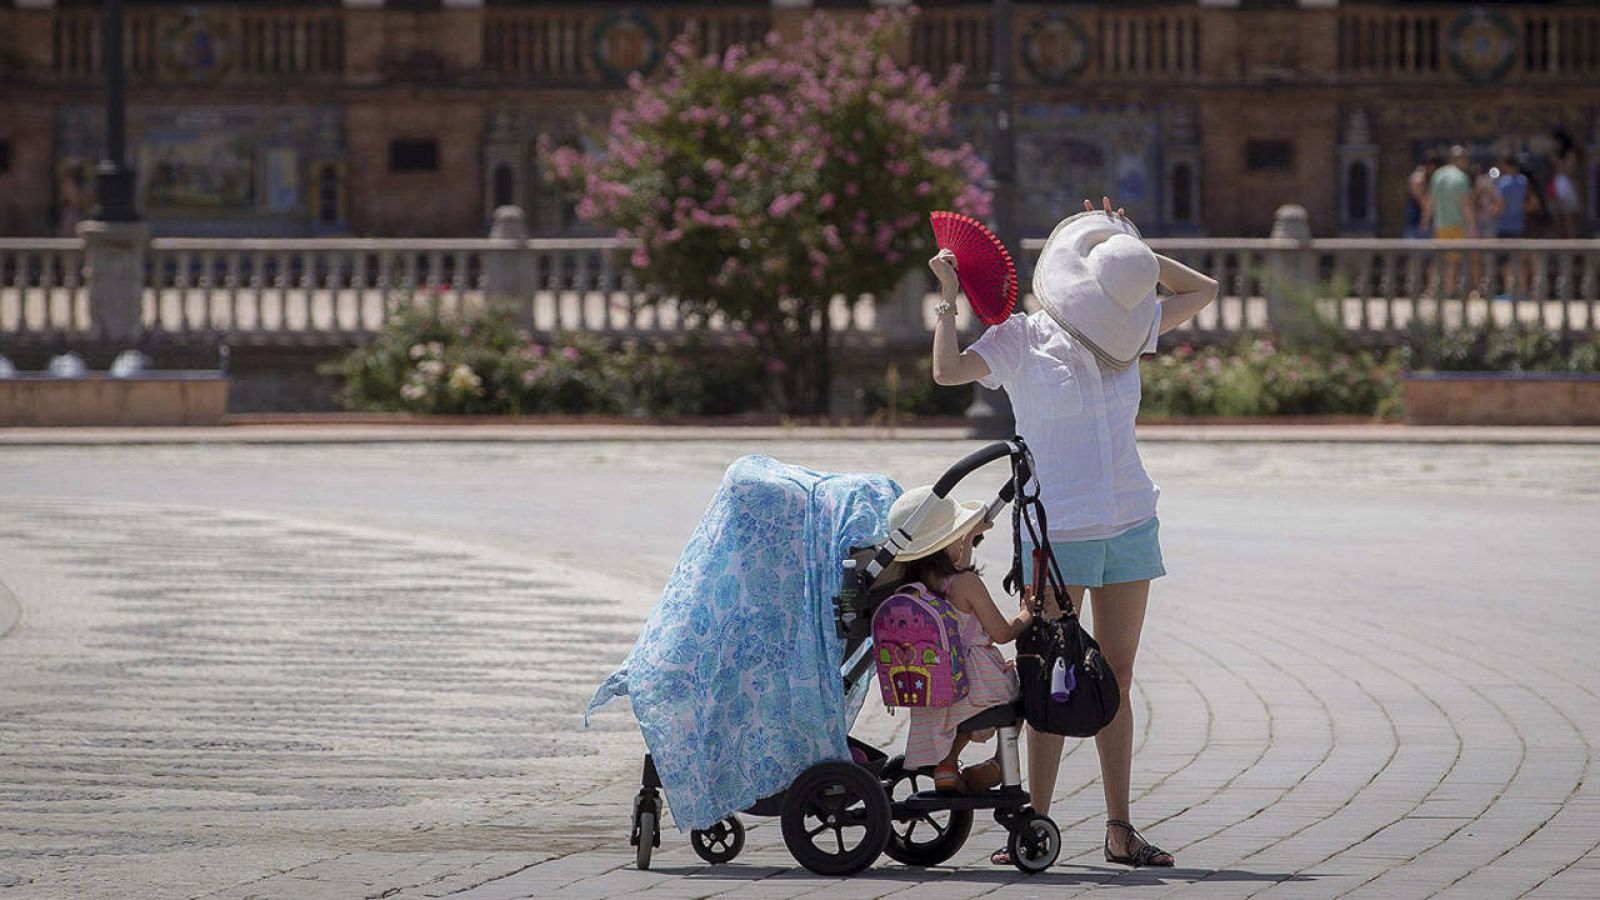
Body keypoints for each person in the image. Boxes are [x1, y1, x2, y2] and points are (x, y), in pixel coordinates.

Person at [926, 196, 1219, 868]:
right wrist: (947, 298)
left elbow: (1204, 289)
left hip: (1131, 521)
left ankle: (1120, 829)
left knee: (1115, 673)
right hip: (1056, 532)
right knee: (1051, 674)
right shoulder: (1022, 338)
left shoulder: (1131, 326)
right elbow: (948, 372)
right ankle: (1034, 824)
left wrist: (1127, 254)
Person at [885, 486, 1028, 794]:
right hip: (977, 685)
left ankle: (947, 764)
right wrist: (1026, 614)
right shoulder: (967, 584)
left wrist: (969, 533)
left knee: (959, 710)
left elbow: (955, 562)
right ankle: (998, 766)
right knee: (1023, 692)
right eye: (958, 535)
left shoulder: (912, 584)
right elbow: (1002, 633)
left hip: (934, 689)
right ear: (946, 543)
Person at [1424, 146, 1474, 297]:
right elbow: (1465, 206)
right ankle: (1447, 291)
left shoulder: (1438, 175)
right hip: (1456, 225)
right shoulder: (1461, 178)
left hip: (1440, 225)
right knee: (1451, 262)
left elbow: (1430, 201)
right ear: (1460, 159)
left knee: (1437, 260)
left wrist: (1425, 219)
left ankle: (1431, 290)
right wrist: (1472, 225)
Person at [1494, 157, 1536, 299]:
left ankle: (1509, 291)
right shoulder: (1523, 182)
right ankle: (1523, 291)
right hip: (1519, 225)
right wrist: (1519, 209)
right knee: (1519, 259)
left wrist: (1491, 212)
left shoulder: (1503, 183)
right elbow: (1533, 203)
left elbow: (1500, 205)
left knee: (1506, 261)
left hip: (1504, 226)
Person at [1405, 152, 1442, 240]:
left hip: (1429, 224)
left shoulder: (1431, 180)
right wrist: (1426, 218)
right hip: (1416, 223)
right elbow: (1423, 202)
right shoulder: (1418, 178)